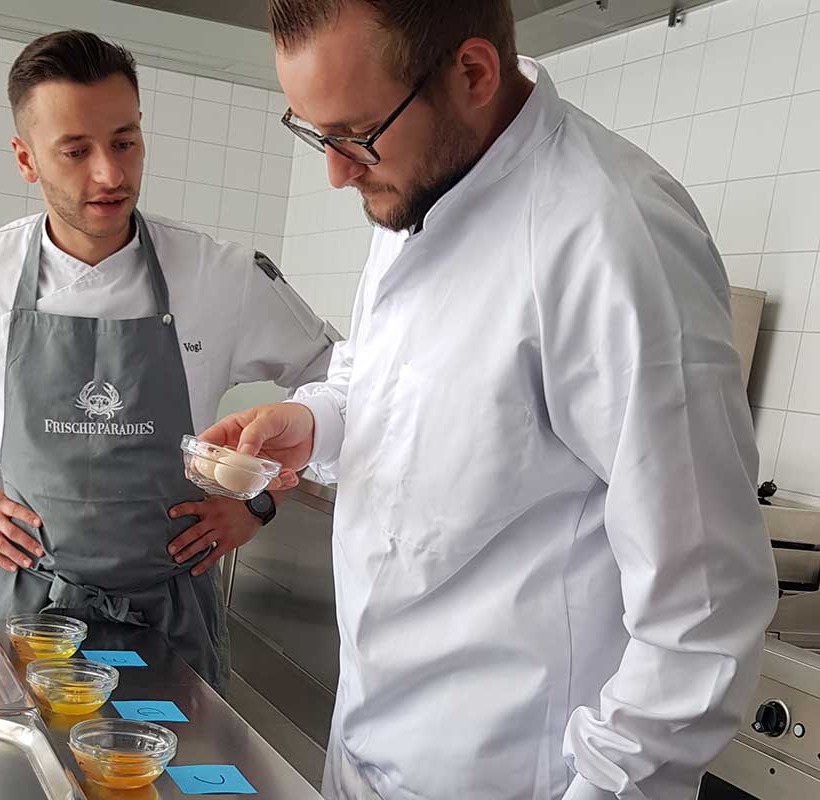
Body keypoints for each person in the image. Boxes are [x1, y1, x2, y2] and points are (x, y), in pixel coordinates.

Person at [202, 1, 778, 796]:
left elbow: (703, 604)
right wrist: (314, 421)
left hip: (512, 776)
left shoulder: (611, 237)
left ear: (472, 73)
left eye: (353, 134)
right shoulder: (416, 185)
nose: (335, 170)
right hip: (372, 745)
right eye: (315, 131)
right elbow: (378, 376)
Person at [0, 30, 337, 692]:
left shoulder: (222, 276)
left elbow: (340, 374)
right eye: (75, 151)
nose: (110, 174)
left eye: (124, 141)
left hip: (173, 613)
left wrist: (260, 502)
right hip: (35, 616)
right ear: (25, 158)